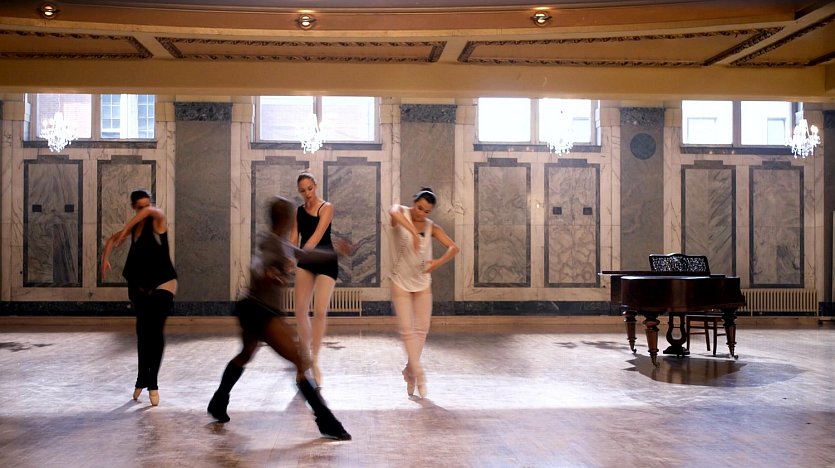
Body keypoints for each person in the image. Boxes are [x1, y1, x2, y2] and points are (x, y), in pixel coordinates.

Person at [207, 195, 351, 441]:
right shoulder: (271, 243)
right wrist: (266, 272)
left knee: (245, 354)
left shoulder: (280, 244)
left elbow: (307, 256)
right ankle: (326, 421)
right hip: (261, 311)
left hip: (249, 307)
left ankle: (218, 402)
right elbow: (258, 263)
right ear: (286, 219)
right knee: (300, 361)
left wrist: (334, 251)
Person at [101, 188, 177, 407]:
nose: (145, 210)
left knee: (155, 332)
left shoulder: (158, 219)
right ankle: (141, 378)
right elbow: (111, 240)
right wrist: (105, 259)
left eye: (148, 205)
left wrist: (126, 228)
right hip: (140, 286)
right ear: (133, 207)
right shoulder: (135, 228)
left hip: (164, 283)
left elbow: (150, 212)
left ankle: (152, 382)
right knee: (143, 334)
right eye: (140, 207)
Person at [389, 187, 459, 398]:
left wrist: (437, 262)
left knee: (421, 329)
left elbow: (454, 247)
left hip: (422, 281)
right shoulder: (400, 212)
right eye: (419, 208)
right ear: (414, 201)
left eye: (426, 211)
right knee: (407, 329)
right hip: (399, 280)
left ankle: (410, 370)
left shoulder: (431, 226)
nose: (421, 213)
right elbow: (393, 212)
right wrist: (412, 232)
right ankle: (419, 374)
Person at [291, 172, 342, 386]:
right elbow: (294, 238)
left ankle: (315, 359)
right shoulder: (298, 211)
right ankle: (304, 357)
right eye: (303, 191)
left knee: (320, 311)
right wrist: (290, 256)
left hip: (325, 260)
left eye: (310, 188)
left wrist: (299, 254)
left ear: (316, 186)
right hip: (306, 261)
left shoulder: (327, 207)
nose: (307, 194)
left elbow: (316, 237)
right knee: (300, 310)